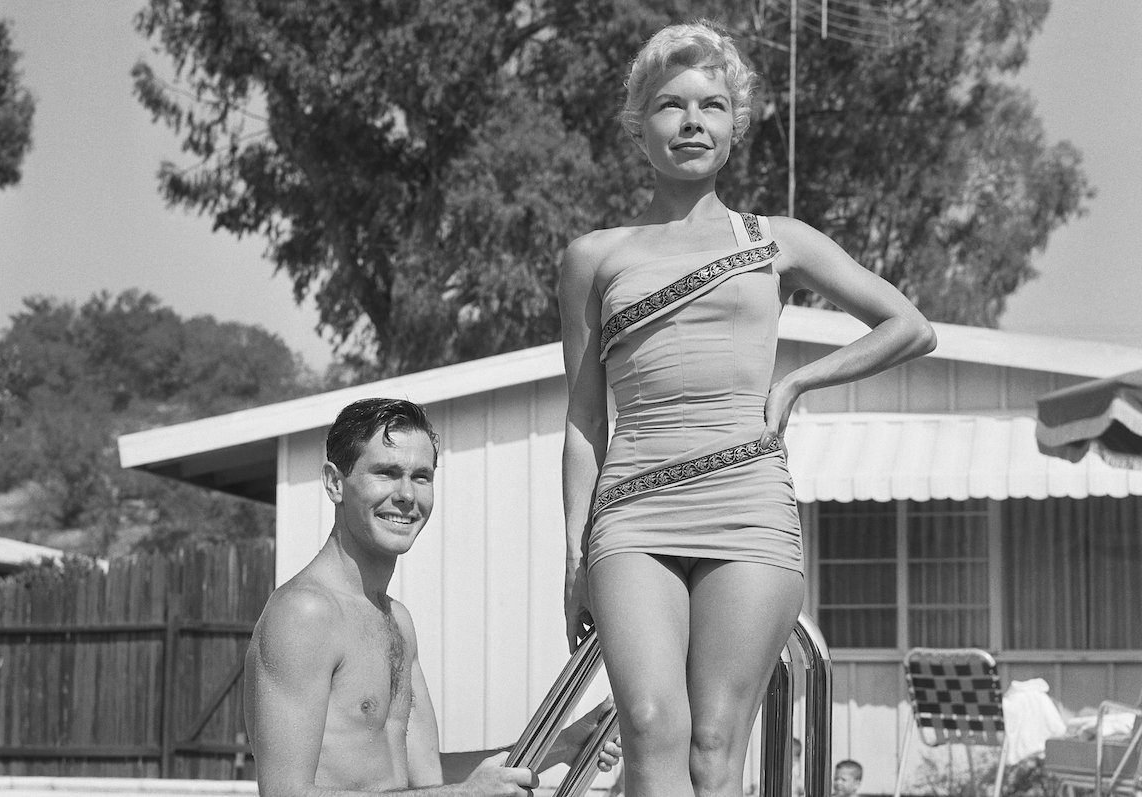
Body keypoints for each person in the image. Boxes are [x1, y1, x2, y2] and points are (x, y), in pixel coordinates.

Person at [558, 19, 936, 797]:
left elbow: (911, 326)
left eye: (713, 106)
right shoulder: (594, 255)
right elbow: (583, 420)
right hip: (631, 510)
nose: (692, 122)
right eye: (671, 105)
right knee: (650, 723)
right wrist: (574, 551)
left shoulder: (777, 240)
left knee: (714, 743)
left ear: (735, 127)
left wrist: (796, 383)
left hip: (748, 503)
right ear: (640, 127)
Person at [245, 398, 620, 797]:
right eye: (386, 473)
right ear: (335, 483)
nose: (406, 494)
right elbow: (284, 793)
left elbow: (425, 779)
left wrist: (561, 745)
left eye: (421, 476)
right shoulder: (305, 613)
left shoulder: (397, 622)